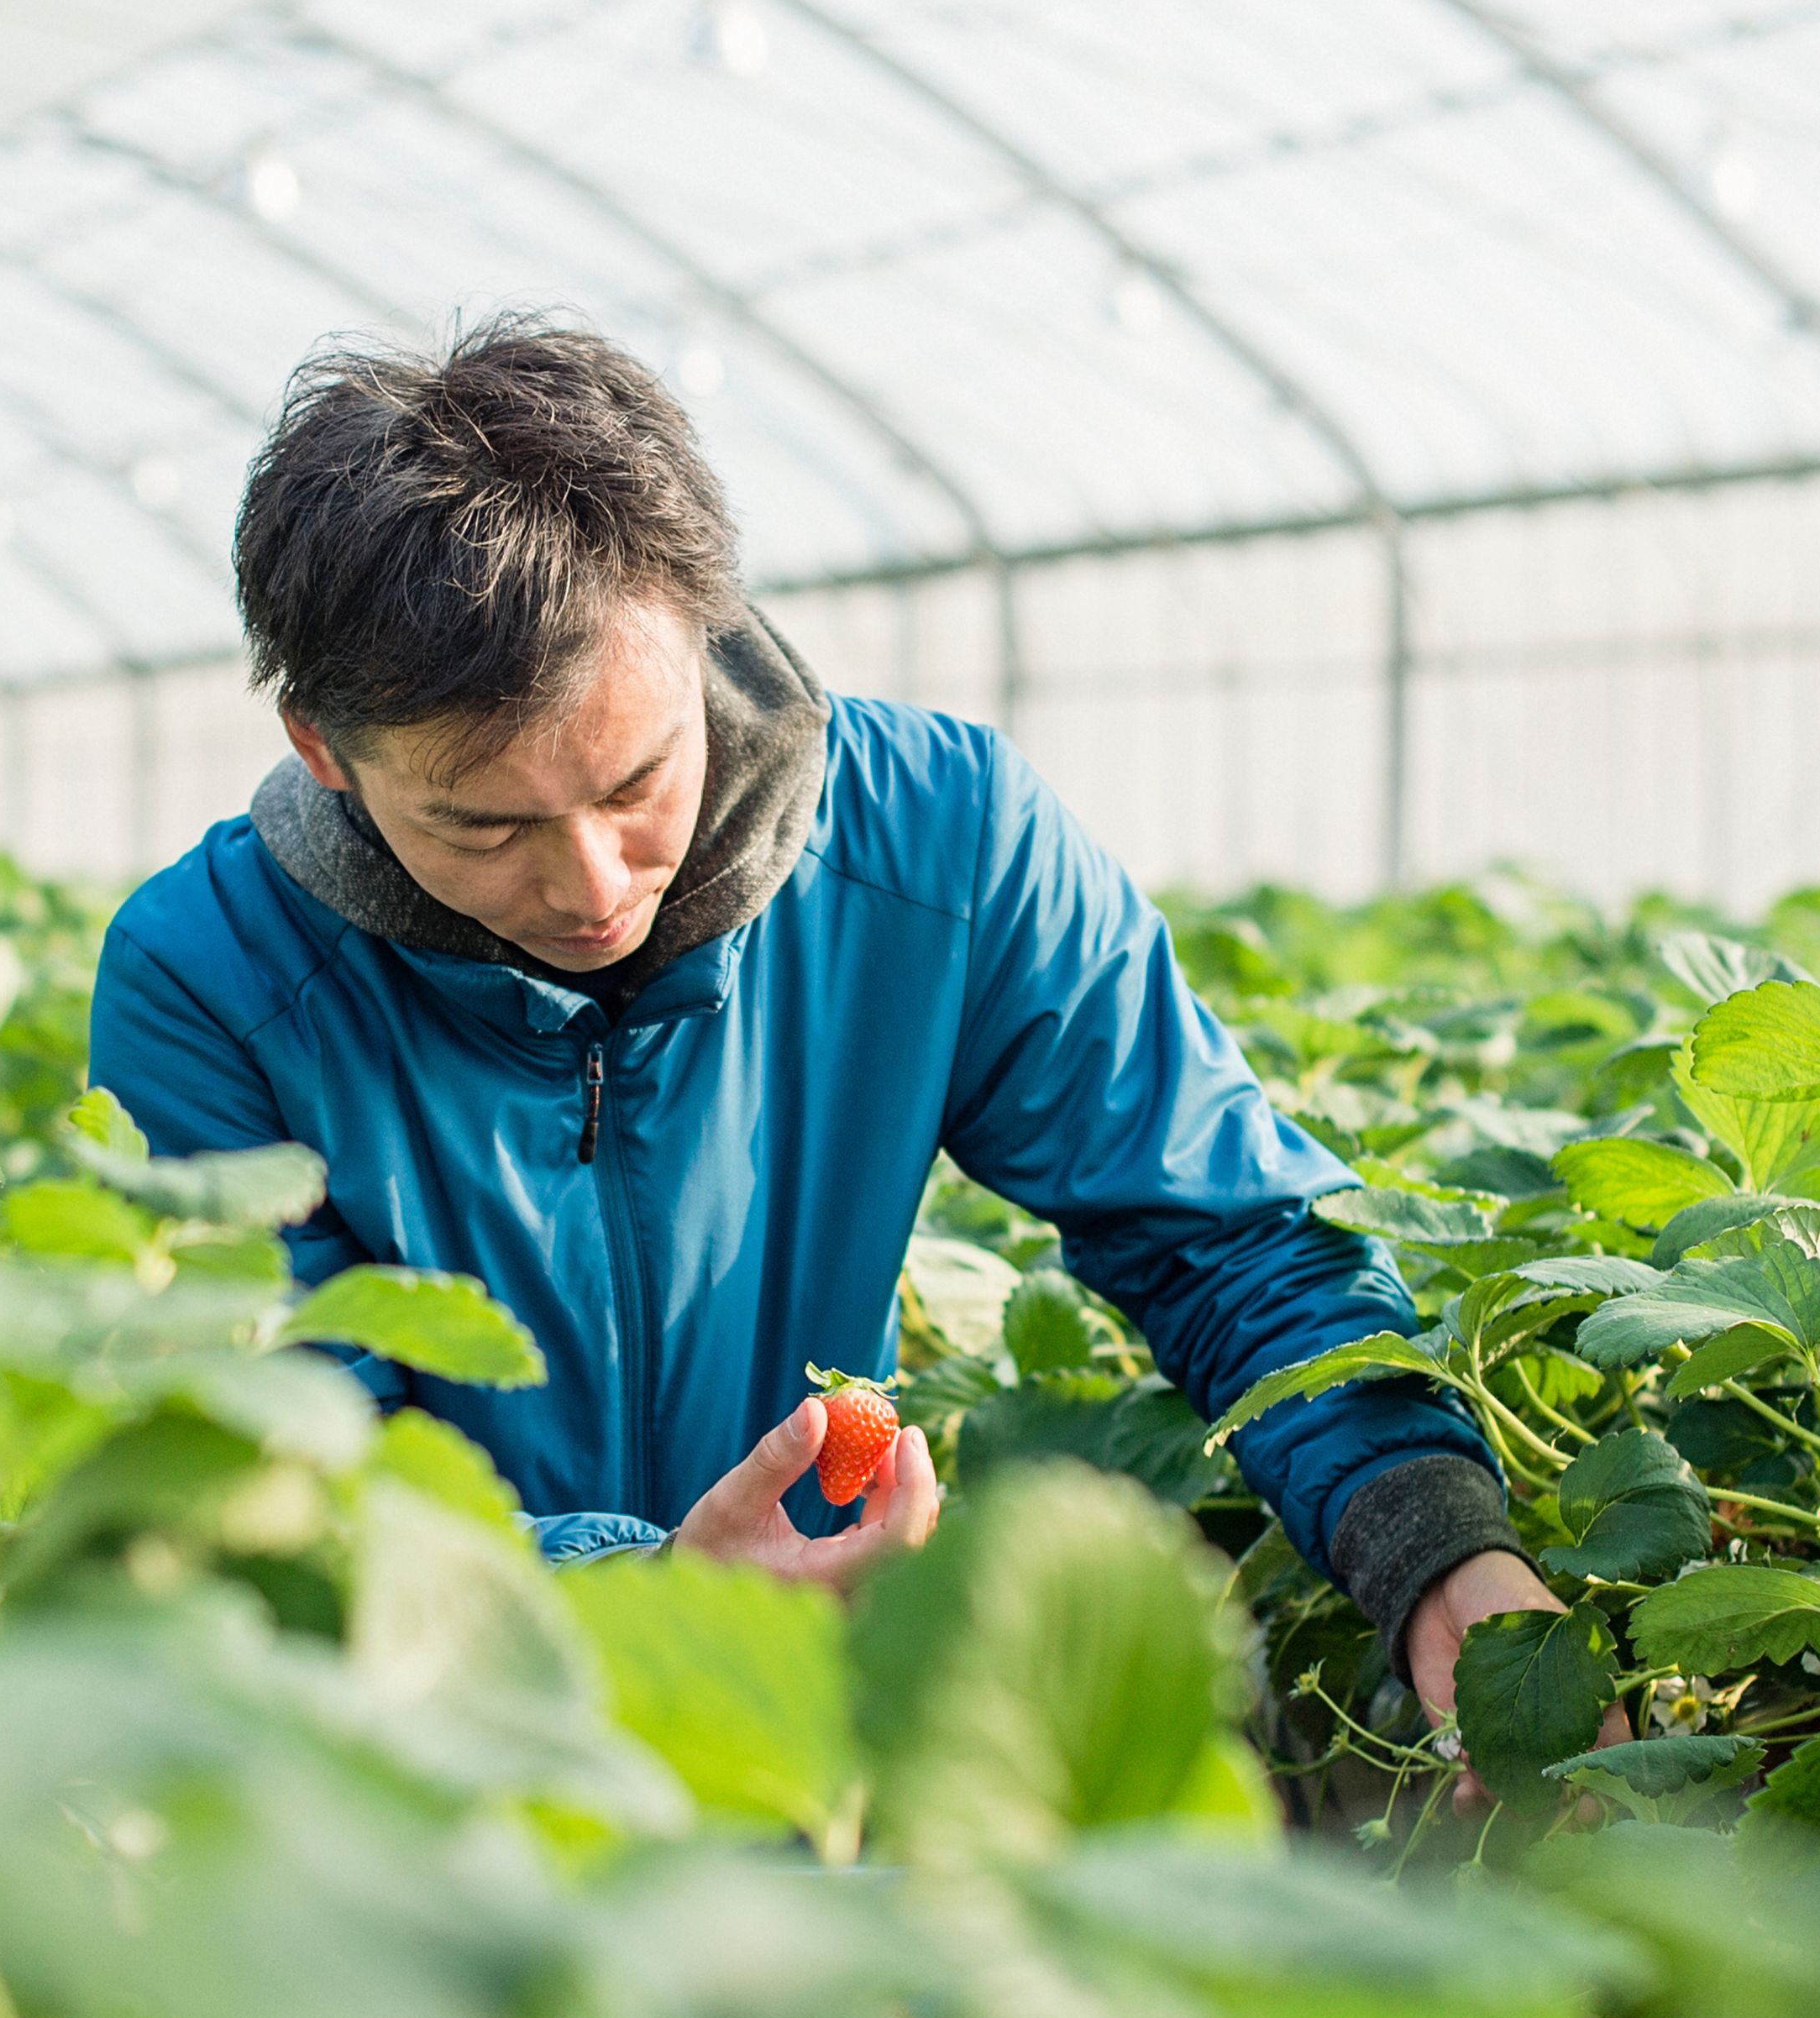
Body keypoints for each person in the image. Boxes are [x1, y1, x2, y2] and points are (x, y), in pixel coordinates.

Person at [87, 321, 1563, 1765]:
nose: (594, 883)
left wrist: (1432, 1537)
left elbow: (1221, 1236)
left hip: (826, 1742)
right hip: (446, 1772)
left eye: (635, 779)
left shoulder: (942, 843)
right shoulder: (210, 978)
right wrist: (638, 1592)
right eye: (484, 825)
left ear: (703, 629)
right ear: (322, 749)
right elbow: (279, 1475)